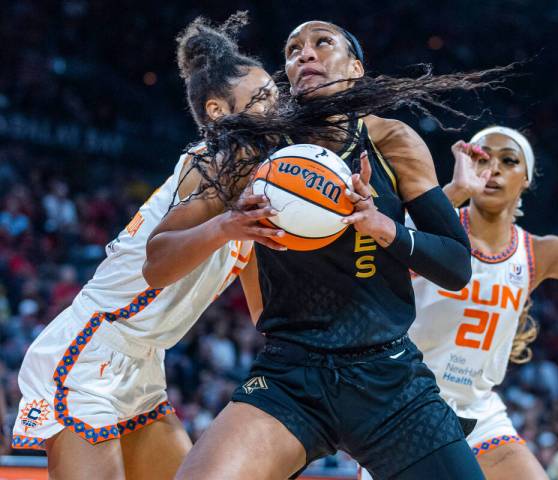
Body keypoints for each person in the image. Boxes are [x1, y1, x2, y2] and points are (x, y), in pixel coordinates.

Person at [145, 20, 501, 480]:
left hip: (388, 378)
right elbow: (156, 263)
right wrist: (226, 226)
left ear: (355, 67)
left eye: (321, 42)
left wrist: (383, 227)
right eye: (293, 50)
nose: (304, 54)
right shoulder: (257, 147)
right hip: (291, 376)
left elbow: (456, 265)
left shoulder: (393, 140)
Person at [10, 14, 280, 479]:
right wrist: (228, 227)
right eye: (260, 99)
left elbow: (267, 318)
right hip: (90, 349)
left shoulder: (258, 189)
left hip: (143, 366)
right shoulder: (208, 164)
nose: (275, 108)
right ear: (217, 111)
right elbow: (158, 265)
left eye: (275, 96)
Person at [362, 122, 558, 479]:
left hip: (477, 409)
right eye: (482, 158)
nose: (494, 168)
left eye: (509, 160)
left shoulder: (536, 253)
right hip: (404, 400)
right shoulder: (433, 229)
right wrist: (452, 191)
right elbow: (381, 250)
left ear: (527, 178)